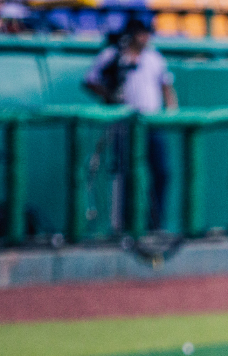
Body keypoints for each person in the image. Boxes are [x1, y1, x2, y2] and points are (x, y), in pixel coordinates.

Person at [84, 17, 177, 231]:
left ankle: (155, 224)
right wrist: (109, 95)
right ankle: (124, 225)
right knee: (124, 174)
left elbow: (167, 87)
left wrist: (171, 113)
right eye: (141, 33)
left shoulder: (154, 57)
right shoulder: (114, 55)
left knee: (161, 172)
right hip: (123, 125)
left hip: (152, 124)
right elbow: (90, 80)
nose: (145, 38)